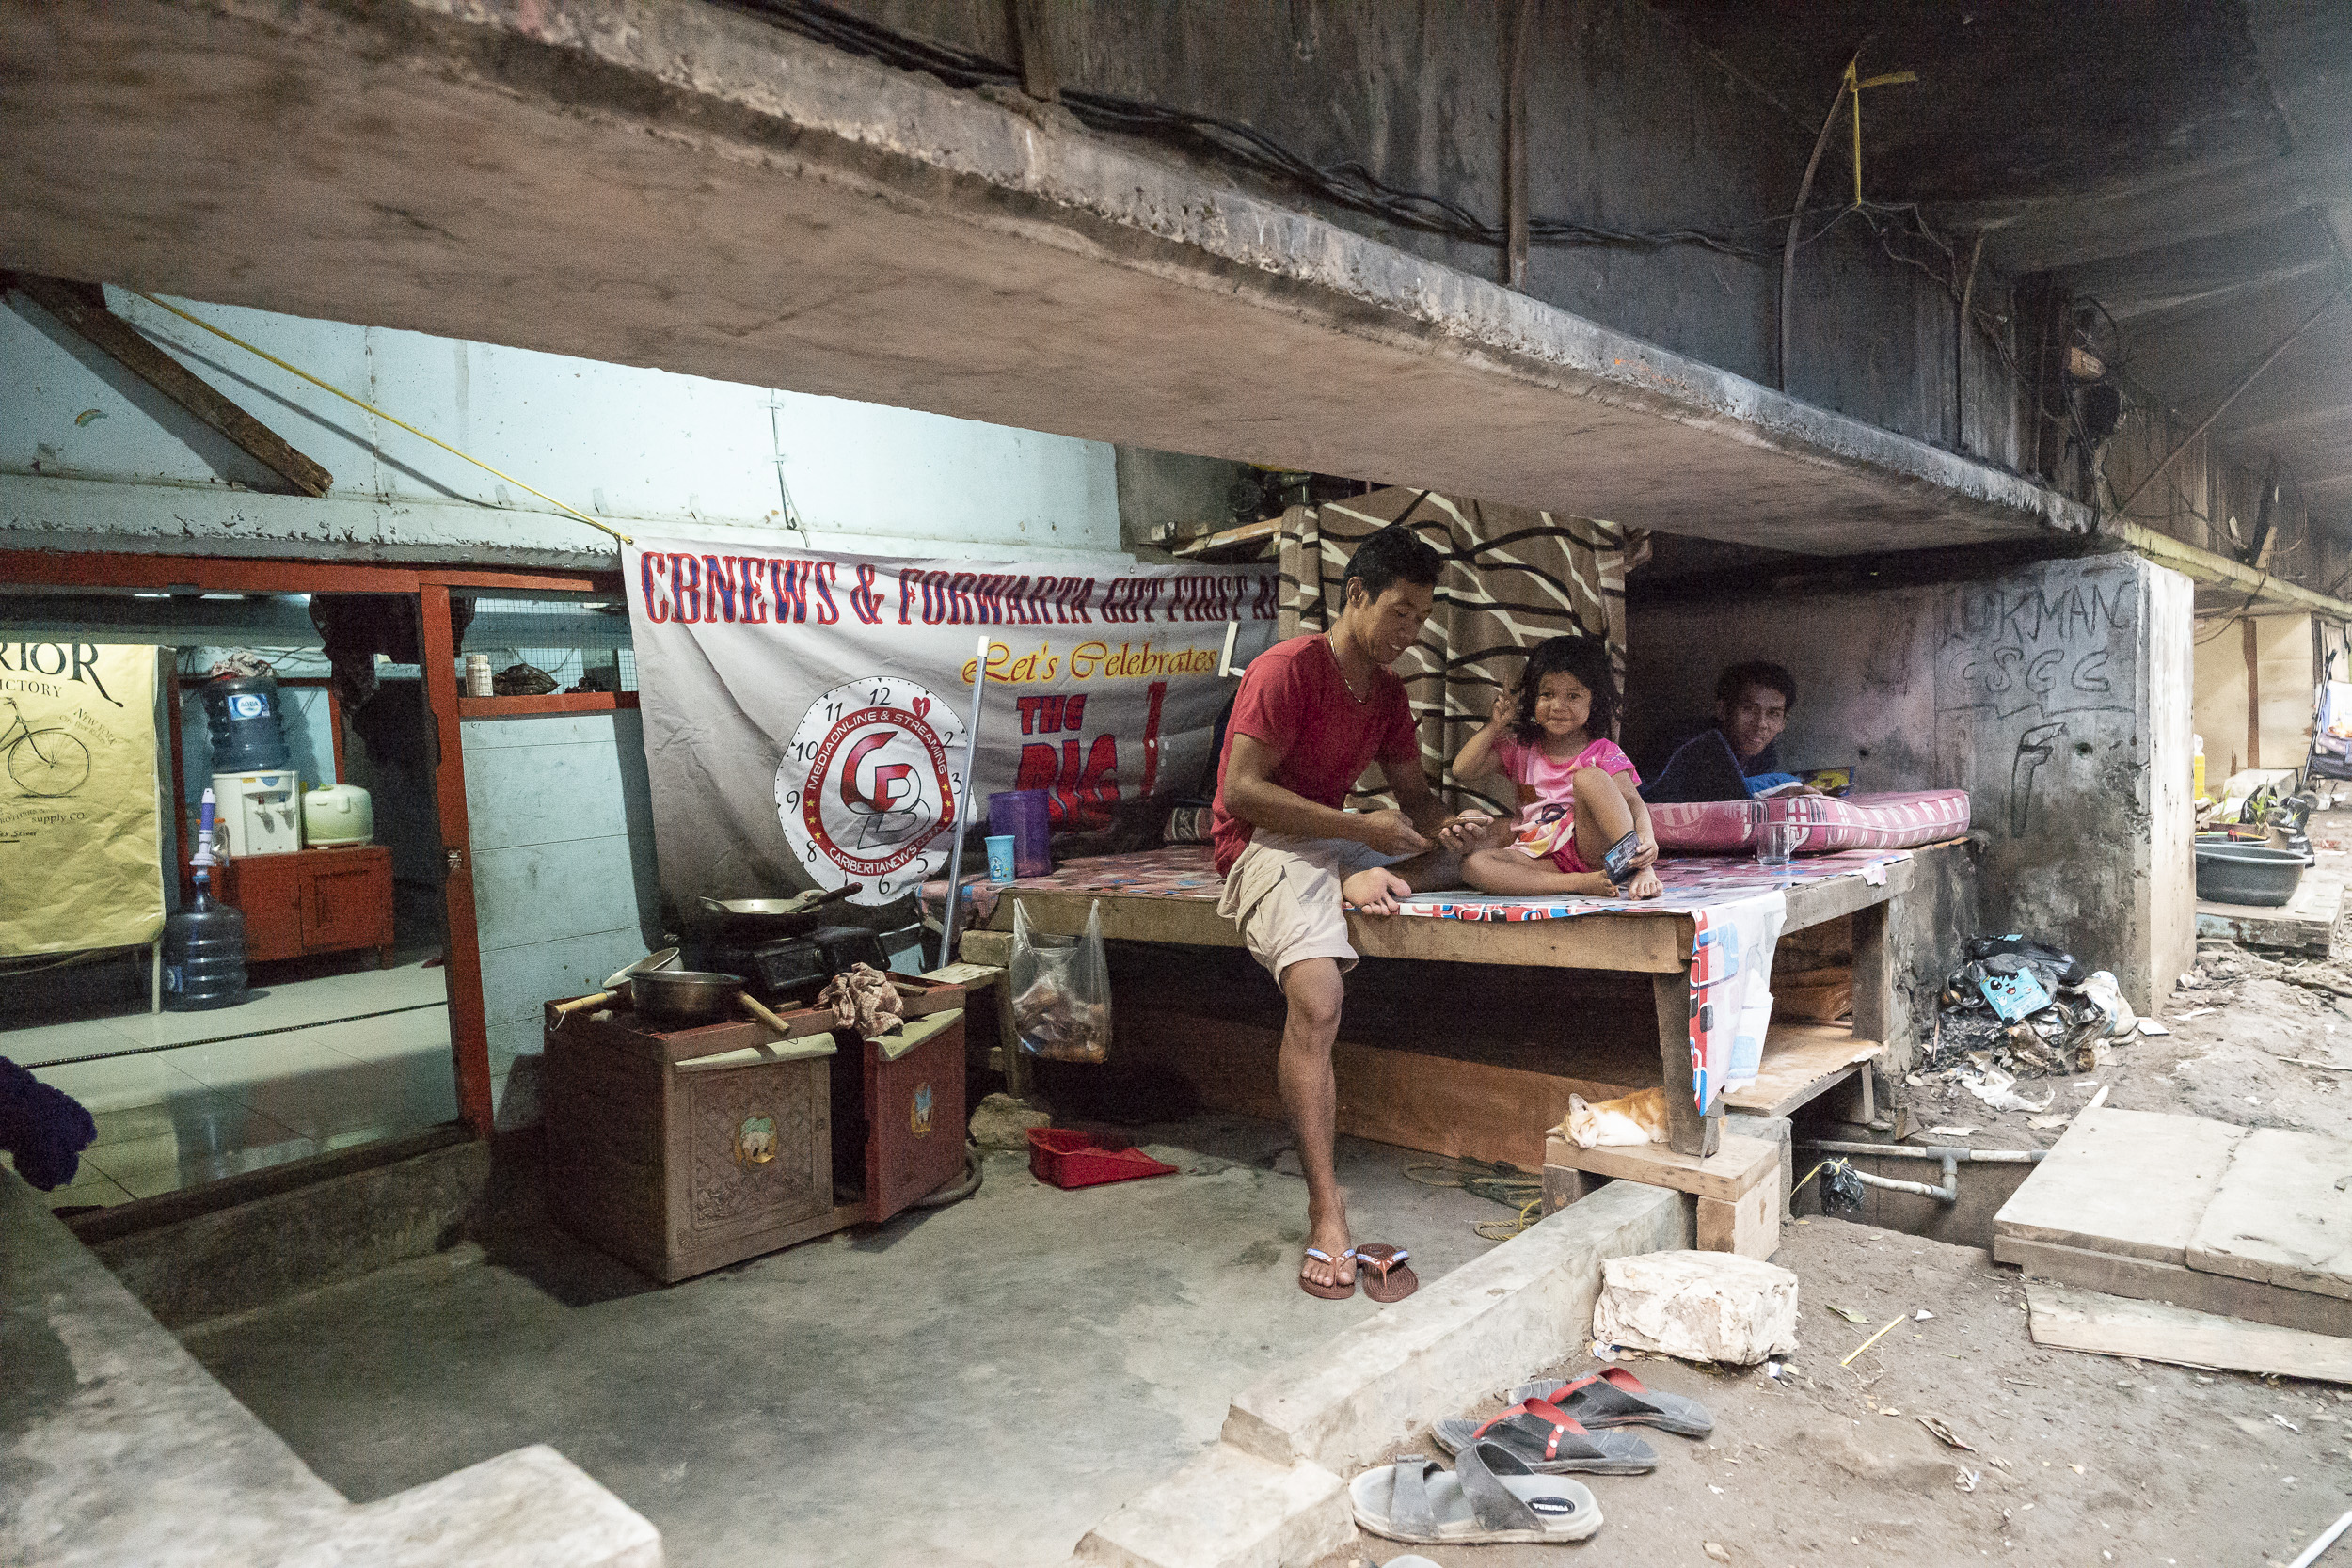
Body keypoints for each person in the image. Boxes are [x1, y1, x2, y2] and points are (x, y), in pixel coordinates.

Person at [1210, 523, 1484, 1298]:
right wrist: (1357, 837)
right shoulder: (1287, 669)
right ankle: (1327, 1209)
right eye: (1400, 611)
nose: (1410, 632)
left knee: (1460, 860)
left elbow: (1416, 801)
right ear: (1355, 594)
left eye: (1422, 619)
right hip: (1262, 844)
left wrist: (1448, 827)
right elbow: (1241, 794)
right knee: (1320, 996)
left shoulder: (1387, 693)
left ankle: (1344, 885)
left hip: (1328, 842)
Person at [1451, 635, 1661, 899]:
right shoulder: (1522, 748)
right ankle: (1577, 883)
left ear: (1593, 701)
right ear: (1532, 698)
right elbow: (1462, 771)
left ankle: (1635, 867)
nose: (1558, 707)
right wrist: (1496, 726)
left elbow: (1633, 803)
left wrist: (1647, 854)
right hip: (1541, 859)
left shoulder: (1603, 751)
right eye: (1547, 695)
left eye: (1573, 695)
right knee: (1472, 865)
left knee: (1588, 777)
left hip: (1592, 850)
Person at [1641, 660, 1806, 802]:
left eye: (1773, 714)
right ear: (1723, 710)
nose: (1761, 724)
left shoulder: (1765, 755)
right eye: (1748, 709)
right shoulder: (1684, 741)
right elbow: (1652, 798)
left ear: (1783, 723)